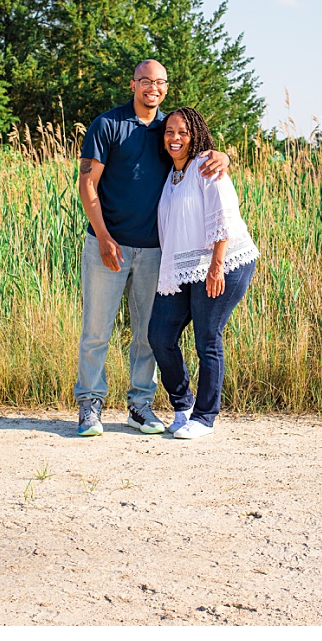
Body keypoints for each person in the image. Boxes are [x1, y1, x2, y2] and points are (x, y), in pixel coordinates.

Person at [74, 60, 229, 437]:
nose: (152, 88)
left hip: (157, 252)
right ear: (133, 85)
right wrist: (105, 236)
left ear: (166, 87)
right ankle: (90, 406)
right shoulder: (108, 124)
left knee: (146, 334)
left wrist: (225, 156)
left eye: (159, 82)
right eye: (145, 81)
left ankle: (140, 405)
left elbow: (201, 154)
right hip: (106, 246)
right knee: (97, 330)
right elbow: (86, 185)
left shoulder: (169, 130)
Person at [147, 107, 259, 440]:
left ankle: (205, 417)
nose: (175, 138)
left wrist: (216, 266)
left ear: (195, 134)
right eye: (169, 131)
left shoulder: (206, 166)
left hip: (224, 263)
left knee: (207, 339)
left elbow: (223, 215)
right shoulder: (172, 174)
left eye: (182, 132)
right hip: (185, 268)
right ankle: (183, 405)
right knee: (160, 336)